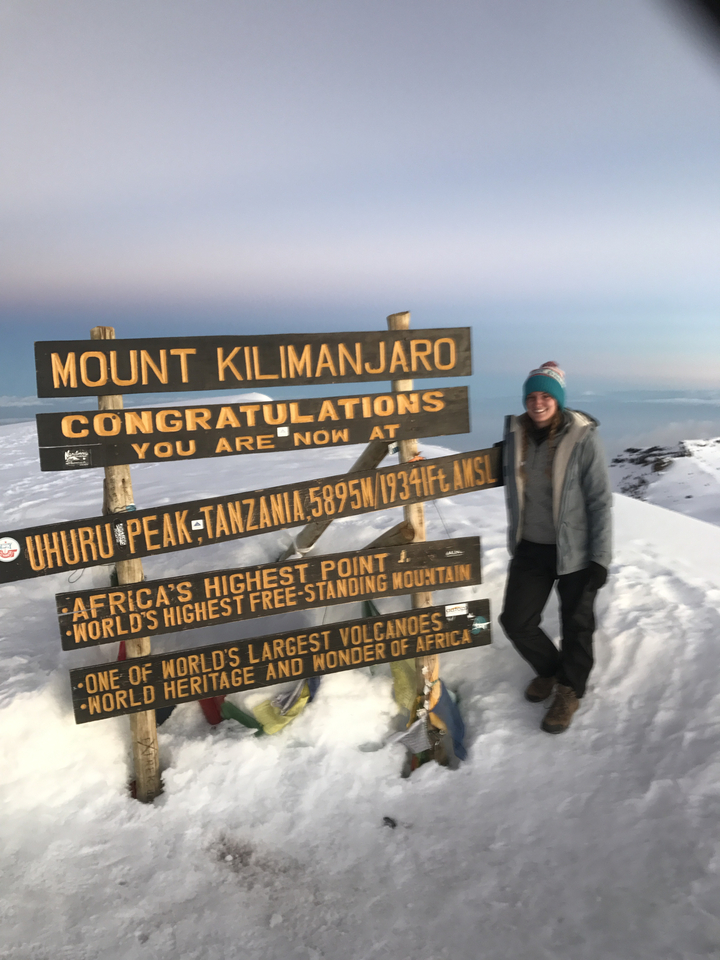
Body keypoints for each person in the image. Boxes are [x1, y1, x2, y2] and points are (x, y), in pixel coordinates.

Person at [499, 362, 612, 733]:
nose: (537, 403)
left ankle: (569, 690)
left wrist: (599, 557)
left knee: (576, 625)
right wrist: (419, 464)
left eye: (546, 396)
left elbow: (599, 500)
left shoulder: (582, 437)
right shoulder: (516, 435)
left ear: (558, 400)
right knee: (516, 621)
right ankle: (550, 670)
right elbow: (486, 468)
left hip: (575, 550)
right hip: (531, 546)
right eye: (531, 396)